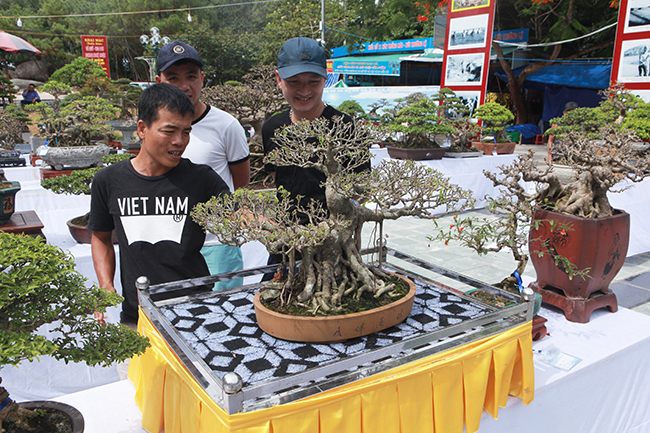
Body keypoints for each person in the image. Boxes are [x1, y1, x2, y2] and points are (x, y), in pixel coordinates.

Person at [88, 83, 231, 325]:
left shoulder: (201, 178)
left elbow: (240, 211)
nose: (180, 141)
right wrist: (106, 285)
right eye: (169, 131)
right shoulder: (109, 181)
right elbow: (101, 237)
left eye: (186, 132)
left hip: (198, 311)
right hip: (139, 316)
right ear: (142, 129)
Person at [261, 37, 370, 276]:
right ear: (278, 79)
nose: (304, 91)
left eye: (313, 81)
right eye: (294, 82)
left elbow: (362, 187)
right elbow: (276, 175)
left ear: (326, 78)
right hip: (288, 240)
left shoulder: (346, 128)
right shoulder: (272, 128)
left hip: (333, 243)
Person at [155, 40, 250, 289]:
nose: (184, 86)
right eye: (173, 77)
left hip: (216, 243)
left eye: (191, 76)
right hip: (169, 241)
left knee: (225, 315)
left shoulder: (226, 126)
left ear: (202, 78)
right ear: (158, 81)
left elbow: (239, 183)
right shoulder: (151, 127)